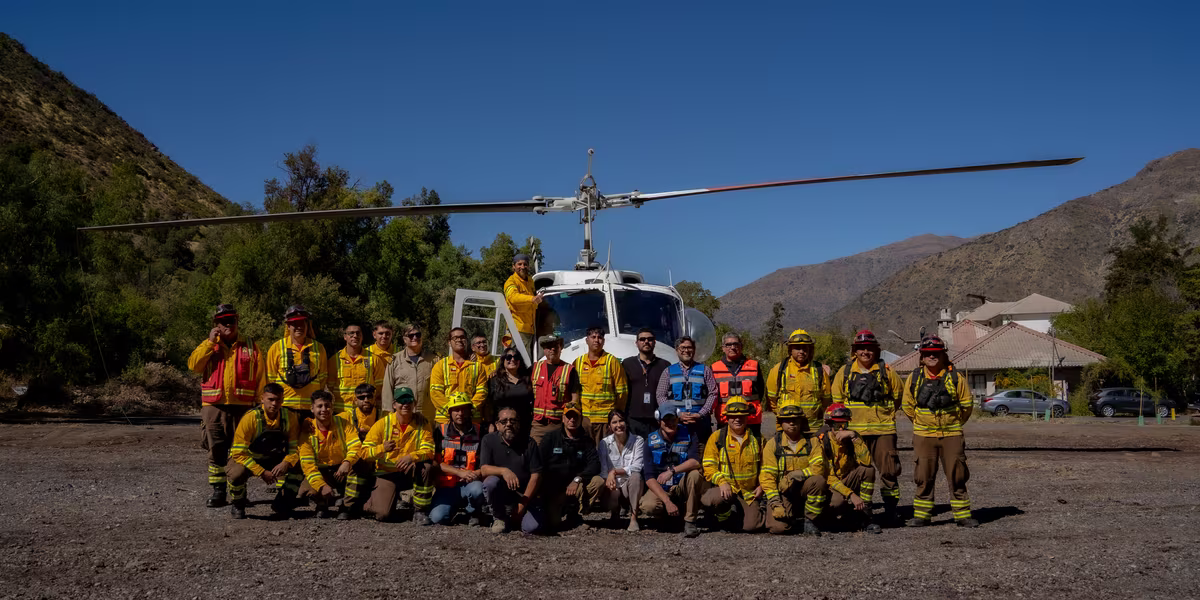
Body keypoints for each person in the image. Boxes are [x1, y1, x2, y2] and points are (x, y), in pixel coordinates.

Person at [188, 303, 266, 508]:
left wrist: (261, 405)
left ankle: (239, 492)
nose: (228, 324)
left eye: (231, 320)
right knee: (216, 450)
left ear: (237, 321)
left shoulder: (251, 346)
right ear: (217, 324)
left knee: (242, 451)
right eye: (223, 321)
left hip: (244, 408)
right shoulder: (208, 345)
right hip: (214, 407)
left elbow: (261, 376)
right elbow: (194, 366)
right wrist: (209, 343)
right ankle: (218, 491)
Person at [902, 335, 979, 528]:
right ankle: (922, 515)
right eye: (928, 353)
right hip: (923, 436)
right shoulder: (914, 378)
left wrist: (954, 423)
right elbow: (907, 405)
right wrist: (921, 422)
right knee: (923, 476)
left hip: (951, 435)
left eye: (936, 353)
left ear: (943, 355)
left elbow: (966, 405)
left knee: (957, 475)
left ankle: (962, 515)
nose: (932, 356)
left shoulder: (956, 378)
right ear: (922, 356)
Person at [831, 329, 905, 524]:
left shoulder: (887, 371)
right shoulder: (844, 372)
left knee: (889, 472)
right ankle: (859, 511)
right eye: (861, 348)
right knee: (856, 472)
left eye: (870, 348)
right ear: (854, 351)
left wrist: (884, 416)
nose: (865, 352)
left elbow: (898, 397)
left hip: (883, 431)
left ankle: (891, 510)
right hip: (854, 433)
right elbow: (837, 404)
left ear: (876, 351)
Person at [360, 387, 436, 524]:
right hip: (386, 474)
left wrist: (411, 457)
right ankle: (367, 501)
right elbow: (364, 453)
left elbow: (429, 450)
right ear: (394, 405)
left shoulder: (423, 423)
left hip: (408, 472)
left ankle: (420, 511)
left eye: (409, 400)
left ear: (414, 403)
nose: (405, 404)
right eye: (401, 401)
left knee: (427, 468)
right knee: (383, 515)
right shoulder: (382, 424)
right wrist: (382, 448)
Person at [226, 383, 302, 519]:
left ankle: (283, 503)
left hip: (274, 459)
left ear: (282, 400)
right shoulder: (250, 418)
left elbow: (294, 448)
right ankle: (238, 503)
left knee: (300, 466)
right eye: (270, 399)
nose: (274, 404)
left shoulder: (290, 417)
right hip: (250, 459)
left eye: (278, 400)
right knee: (236, 473)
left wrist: (286, 462)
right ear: (262, 399)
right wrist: (261, 471)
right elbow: (238, 453)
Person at [639, 403, 706, 537]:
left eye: (673, 419)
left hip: (682, 484)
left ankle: (690, 521)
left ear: (678, 418)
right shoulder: (650, 441)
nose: (670, 423)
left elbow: (695, 461)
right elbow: (649, 477)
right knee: (648, 505)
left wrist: (672, 471)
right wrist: (667, 502)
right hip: (662, 487)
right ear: (659, 420)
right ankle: (668, 515)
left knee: (695, 475)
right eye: (666, 420)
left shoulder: (689, 434)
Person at [760, 404, 827, 535]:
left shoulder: (812, 442)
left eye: (795, 420)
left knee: (818, 481)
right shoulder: (772, 444)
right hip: (783, 493)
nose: (792, 423)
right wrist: (776, 503)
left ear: (801, 422)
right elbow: (767, 477)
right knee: (778, 528)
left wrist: (794, 475)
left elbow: (818, 469)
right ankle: (790, 516)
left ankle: (810, 521)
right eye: (787, 420)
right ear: (780, 423)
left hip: (805, 490)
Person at [700, 398, 764, 533]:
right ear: (727, 418)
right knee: (714, 499)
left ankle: (739, 514)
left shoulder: (758, 439)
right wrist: (721, 482)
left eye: (741, 416)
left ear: (747, 417)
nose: (737, 419)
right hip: (725, 490)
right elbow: (709, 466)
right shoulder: (717, 437)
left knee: (752, 526)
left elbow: (766, 467)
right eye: (733, 416)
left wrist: (762, 486)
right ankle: (723, 518)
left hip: (748, 493)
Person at [537, 405, 603, 532]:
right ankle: (557, 509)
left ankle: (575, 513)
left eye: (575, 417)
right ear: (563, 418)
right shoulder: (550, 438)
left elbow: (595, 465)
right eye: (569, 416)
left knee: (598, 481)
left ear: (581, 419)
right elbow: (539, 463)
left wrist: (578, 479)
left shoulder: (586, 441)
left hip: (575, 486)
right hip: (554, 489)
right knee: (553, 524)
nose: (572, 420)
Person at [815, 403, 880, 533]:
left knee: (868, 470)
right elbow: (829, 477)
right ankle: (828, 518)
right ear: (829, 424)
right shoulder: (821, 442)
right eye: (837, 425)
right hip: (829, 485)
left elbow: (867, 462)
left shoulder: (852, 437)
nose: (841, 429)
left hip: (846, 479)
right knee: (837, 502)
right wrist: (851, 495)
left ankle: (865, 515)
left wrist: (854, 437)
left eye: (844, 425)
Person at [297, 390, 362, 518]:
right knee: (308, 489)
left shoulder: (343, 423)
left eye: (327, 406)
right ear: (312, 408)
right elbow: (308, 465)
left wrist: (347, 462)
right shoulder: (306, 431)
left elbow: (356, 446)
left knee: (359, 467)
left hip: (341, 469)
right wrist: (322, 486)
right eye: (319, 406)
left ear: (332, 408)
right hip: (322, 471)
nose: (324, 409)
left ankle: (347, 506)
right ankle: (322, 504)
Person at [480, 406, 543, 534]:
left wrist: (522, 504)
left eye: (513, 421)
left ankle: (515, 518)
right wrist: (504, 471)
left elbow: (536, 475)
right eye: (504, 421)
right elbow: (484, 469)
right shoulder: (488, 440)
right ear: (497, 425)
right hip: (501, 493)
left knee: (532, 528)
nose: (508, 424)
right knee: (490, 482)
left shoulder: (529, 443)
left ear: (518, 424)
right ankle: (499, 517)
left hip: (523, 494)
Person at [430, 393, 487, 526]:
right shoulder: (440, 432)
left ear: (470, 411)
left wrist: (475, 474)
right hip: (446, 487)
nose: (460, 413)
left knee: (478, 490)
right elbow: (436, 463)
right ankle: (452, 508)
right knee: (437, 518)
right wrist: (459, 472)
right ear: (450, 412)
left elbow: (485, 464)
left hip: (470, 484)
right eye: (456, 410)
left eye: (464, 409)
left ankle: (473, 512)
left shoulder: (481, 432)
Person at [765, 329, 831, 439]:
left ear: (810, 349)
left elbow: (826, 399)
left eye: (805, 348)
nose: (801, 351)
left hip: (813, 429)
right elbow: (771, 399)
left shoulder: (819, 370)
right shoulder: (779, 370)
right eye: (797, 348)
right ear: (790, 349)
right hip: (787, 429)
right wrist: (784, 417)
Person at [568, 326, 629, 445]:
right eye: (593, 337)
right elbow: (574, 391)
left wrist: (615, 418)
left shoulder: (612, 361)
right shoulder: (578, 362)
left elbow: (622, 392)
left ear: (604, 341)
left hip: (605, 420)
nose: (596, 340)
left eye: (600, 337)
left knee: (607, 452)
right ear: (587, 340)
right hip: (585, 420)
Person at [266, 305, 328, 420]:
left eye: (302, 324)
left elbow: (323, 377)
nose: (299, 327)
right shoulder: (276, 348)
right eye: (295, 324)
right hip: (285, 407)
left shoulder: (319, 348)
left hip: (311, 408)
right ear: (288, 326)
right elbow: (271, 379)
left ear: (307, 325)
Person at [656, 336, 718, 446]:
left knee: (701, 452)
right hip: (676, 424)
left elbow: (713, 393)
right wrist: (677, 414)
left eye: (689, 347)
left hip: (701, 423)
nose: (686, 350)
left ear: (694, 350)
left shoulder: (705, 370)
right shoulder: (668, 371)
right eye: (683, 348)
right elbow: (661, 395)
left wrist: (701, 414)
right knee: (678, 452)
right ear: (677, 350)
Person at [598, 410, 646, 532]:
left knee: (636, 476)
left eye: (621, 421)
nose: (618, 425)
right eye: (614, 422)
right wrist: (609, 478)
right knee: (610, 492)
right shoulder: (604, 443)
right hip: (613, 485)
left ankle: (634, 517)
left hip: (629, 485)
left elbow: (637, 466)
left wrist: (614, 472)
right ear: (609, 426)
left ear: (627, 423)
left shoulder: (638, 440)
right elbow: (603, 470)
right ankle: (615, 512)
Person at [337, 383, 380, 519]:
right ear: (355, 400)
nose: (366, 400)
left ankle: (355, 502)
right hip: (353, 460)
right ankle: (348, 504)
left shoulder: (384, 416)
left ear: (374, 398)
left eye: (369, 396)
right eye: (361, 397)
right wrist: (307, 423)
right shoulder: (345, 416)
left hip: (378, 460)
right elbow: (322, 421)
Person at [711, 333, 766, 437]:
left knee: (754, 446)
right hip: (725, 419)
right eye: (728, 345)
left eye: (736, 344)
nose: (732, 347)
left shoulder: (754, 365)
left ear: (741, 346)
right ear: (723, 348)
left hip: (750, 419)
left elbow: (761, 391)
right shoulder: (714, 368)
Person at [430, 327, 488, 424]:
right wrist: (450, 412)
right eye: (455, 338)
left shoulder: (478, 367)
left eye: (462, 337)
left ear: (467, 341)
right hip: (446, 420)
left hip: (472, 420)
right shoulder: (440, 366)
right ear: (449, 342)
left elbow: (482, 392)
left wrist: (469, 410)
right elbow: (435, 393)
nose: (459, 340)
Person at [621, 328, 670, 437]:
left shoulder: (665, 365)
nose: (646, 342)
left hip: (656, 419)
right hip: (633, 419)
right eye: (642, 339)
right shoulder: (627, 364)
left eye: (650, 339)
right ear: (636, 343)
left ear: (654, 342)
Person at [329, 323, 386, 414]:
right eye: (351, 333)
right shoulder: (335, 360)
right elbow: (330, 387)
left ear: (362, 337)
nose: (355, 336)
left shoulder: (374, 359)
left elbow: (381, 386)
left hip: (366, 411)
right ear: (345, 337)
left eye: (358, 333)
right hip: (341, 412)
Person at [382, 323, 437, 415]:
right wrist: (388, 413)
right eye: (411, 336)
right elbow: (387, 389)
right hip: (402, 413)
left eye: (418, 335)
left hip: (426, 414)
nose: (415, 338)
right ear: (404, 339)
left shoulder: (433, 360)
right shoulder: (394, 360)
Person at [530, 334, 574, 444]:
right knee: (535, 452)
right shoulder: (535, 368)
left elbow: (575, 399)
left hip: (559, 425)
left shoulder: (569, 370)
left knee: (557, 453)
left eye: (556, 346)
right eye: (549, 346)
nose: (553, 349)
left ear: (561, 348)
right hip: (538, 425)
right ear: (544, 349)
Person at [503, 253, 543, 359]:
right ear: (513, 266)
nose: (522, 267)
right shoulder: (511, 282)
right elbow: (512, 297)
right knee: (519, 360)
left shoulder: (530, 281)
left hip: (530, 329)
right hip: (517, 329)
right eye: (519, 264)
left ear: (528, 266)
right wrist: (532, 299)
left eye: (525, 264)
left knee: (528, 359)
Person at [486, 347, 533, 432]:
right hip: (502, 425)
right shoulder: (494, 380)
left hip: (524, 424)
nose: (513, 360)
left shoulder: (528, 378)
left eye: (516, 357)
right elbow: (488, 404)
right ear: (503, 360)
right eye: (508, 357)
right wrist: (490, 423)